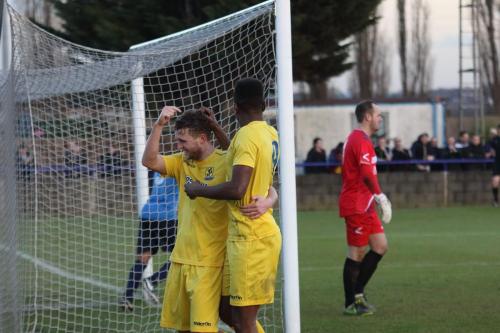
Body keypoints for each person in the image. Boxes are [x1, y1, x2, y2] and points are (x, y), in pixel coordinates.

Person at [142, 105, 275, 332]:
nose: (178, 146)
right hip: (181, 260)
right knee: (181, 329)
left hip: (210, 263)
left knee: (222, 325)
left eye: (183, 141)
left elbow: (263, 183)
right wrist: (159, 125)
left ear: (202, 138)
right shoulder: (182, 162)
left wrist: (270, 199)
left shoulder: (225, 162)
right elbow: (150, 161)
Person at [185, 78, 281, 333]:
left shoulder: (247, 136)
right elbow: (238, 155)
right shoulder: (268, 132)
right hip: (242, 236)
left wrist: (199, 189)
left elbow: (237, 188)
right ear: (263, 104)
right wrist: (216, 127)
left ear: (235, 107)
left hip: (252, 237)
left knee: (245, 321)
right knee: (227, 311)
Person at [338, 100, 392, 316]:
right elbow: (368, 174)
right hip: (357, 205)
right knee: (356, 253)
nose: (380, 118)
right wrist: (380, 196)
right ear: (367, 117)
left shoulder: (361, 139)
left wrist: (375, 198)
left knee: (380, 246)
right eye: (378, 114)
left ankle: (358, 293)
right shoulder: (360, 140)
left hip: (366, 204)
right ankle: (351, 302)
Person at [120, 172, 179, 311]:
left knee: (142, 260)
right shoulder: (178, 169)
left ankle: (127, 298)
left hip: (147, 214)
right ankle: (152, 281)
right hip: (167, 217)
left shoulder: (156, 171)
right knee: (182, 256)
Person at [488, 125, 500, 206]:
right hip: (497, 163)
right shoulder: (494, 140)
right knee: (495, 181)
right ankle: (495, 200)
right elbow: (490, 149)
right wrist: (490, 153)